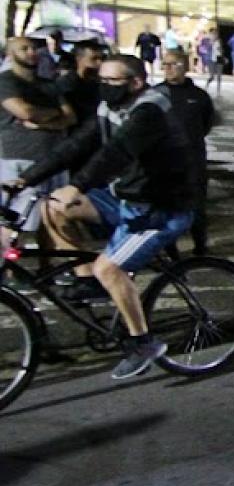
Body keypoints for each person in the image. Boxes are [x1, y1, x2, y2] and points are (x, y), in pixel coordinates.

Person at [8, 55, 195, 380]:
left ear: (135, 83)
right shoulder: (109, 108)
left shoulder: (150, 111)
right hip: (124, 198)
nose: (104, 87)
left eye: (112, 82)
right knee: (52, 206)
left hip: (160, 209)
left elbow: (116, 152)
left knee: (108, 266)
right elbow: (76, 144)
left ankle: (143, 343)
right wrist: (28, 179)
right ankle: (87, 282)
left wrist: (77, 186)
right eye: (101, 81)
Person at [0, 36, 75, 235]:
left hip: (53, 159)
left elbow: (70, 117)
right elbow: (25, 112)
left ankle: (46, 263)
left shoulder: (49, 84)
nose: (32, 53)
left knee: (51, 216)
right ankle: (7, 265)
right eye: (24, 49)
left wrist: (43, 120)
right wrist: (52, 114)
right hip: (18, 158)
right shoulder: (6, 81)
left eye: (34, 48)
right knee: (14, 220)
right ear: (10, 54)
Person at [155, 49, 217, 255]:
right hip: (163, 160)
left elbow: (206, 123)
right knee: (166, 205)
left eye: (174, 64)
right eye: (165, 64)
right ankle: (170, 248)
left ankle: (200, 245)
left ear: (186, 67)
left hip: (193, 159)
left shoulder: (198, 96)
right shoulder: (154, 94)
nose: (169, 69)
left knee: (196, 205)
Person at [55, 40, 104, 124]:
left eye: (102, 58)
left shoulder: (99, 84)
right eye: (94, 59)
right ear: (79, 59)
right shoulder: (65, 84)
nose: (100, 63)